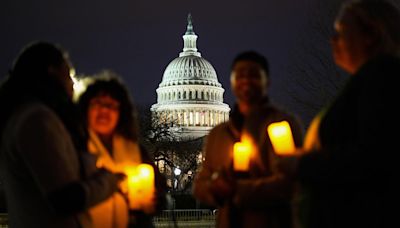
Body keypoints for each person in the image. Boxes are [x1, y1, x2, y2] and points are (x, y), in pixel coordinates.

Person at [280, 1, 400, 227]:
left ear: (371, 34)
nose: (332, 40)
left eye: (341, 31)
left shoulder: (382, 77)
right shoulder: (370, 80)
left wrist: (302, 164)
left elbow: (375, 157)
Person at [0, 41, 125, 228]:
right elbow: (65, 199)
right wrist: (110, 181)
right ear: (52, 73)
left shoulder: (26, 116)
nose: (72, 84)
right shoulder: (37, 119)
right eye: (69, 75)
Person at [193, 51, 303, 228]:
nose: (246, 81)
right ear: (232, 82)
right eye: (240, 75)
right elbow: (200, 185)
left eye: (254, 75)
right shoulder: (218, 134)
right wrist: (215, 186)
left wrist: (238, 190)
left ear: (267, 80)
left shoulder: (283, 125)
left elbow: (292, 182)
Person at [77, 73, 167, 228]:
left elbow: (161, 195)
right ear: (85, 109)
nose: (104, 111)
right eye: (97, 103)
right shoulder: (74, 148)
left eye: (111, 105)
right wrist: (113, 182)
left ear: (121, 112)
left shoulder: (137, 151)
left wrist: (155, 201)